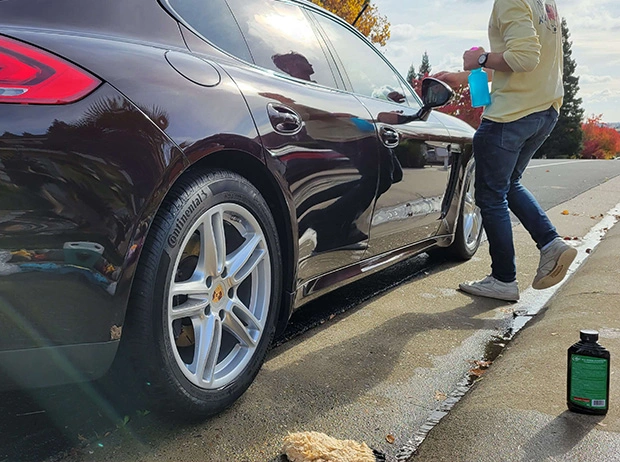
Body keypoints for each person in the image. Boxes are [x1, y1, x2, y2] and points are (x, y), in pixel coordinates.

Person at [434, 0, 576, 302]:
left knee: (490, 194)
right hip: (543, 110)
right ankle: (551, 245)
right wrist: (465, 77)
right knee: (508, 184)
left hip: (511, 115)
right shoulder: (544, 3)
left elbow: (524, 58)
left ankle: (503, 279)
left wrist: (480, 57)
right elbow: (518, 65)